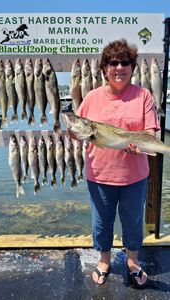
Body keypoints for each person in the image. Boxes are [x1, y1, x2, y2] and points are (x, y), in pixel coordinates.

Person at [75, 39, 160, 288]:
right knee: (101, 221)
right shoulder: (91, 97)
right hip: (99, 174)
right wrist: (73, 131)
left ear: (132, 67)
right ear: (104, 68)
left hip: (134, 176)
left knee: (133, 221)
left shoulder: (143, 95)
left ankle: (132, 261)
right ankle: (104, 261)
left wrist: (140, 145)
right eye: (113, 63)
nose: (119, 67)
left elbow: (151, 133)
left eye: (125, 62)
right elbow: (78, 128)